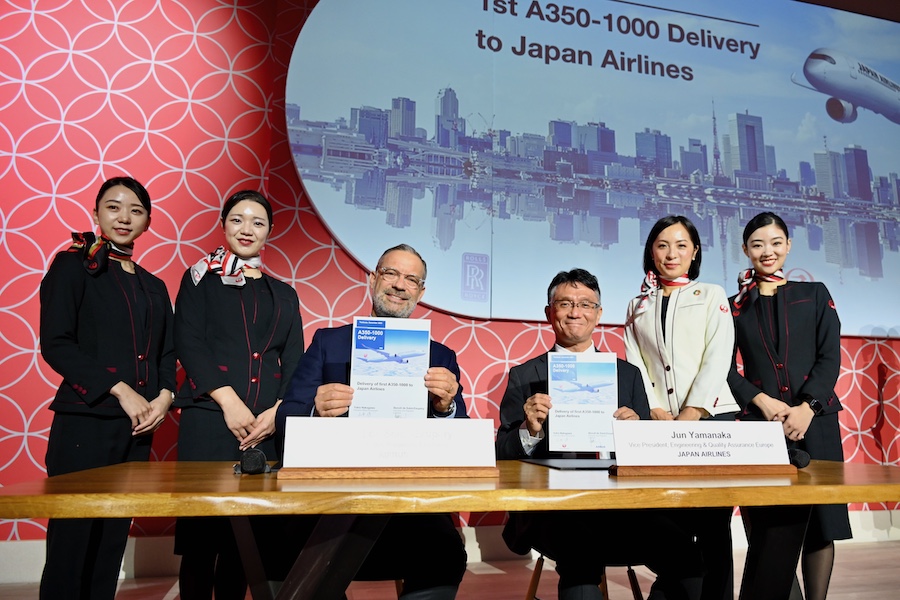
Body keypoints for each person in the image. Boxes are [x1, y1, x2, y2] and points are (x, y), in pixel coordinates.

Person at [497, 268, 704, 600]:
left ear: (599, 314)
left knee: (688, 558)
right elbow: (502, 452)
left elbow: (650, 454)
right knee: (580, 558)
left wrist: (636, 432)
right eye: (565, 303)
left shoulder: (627, 375)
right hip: (558, 511)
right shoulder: (525, 375)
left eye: (585, 304)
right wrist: (529, 430)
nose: (575, 311)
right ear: (550, 313)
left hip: (622, 507)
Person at [275, 243, 467, 600]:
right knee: (288, 552)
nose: (399, 284)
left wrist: (446, 407)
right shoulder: (327, 343)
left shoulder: (441, 356)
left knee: (446, 553)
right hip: (331, 498)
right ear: (372, 280)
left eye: (411, 279)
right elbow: (286, 419)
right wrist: (316, 411)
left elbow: (461, 438)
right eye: (390, 273)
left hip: (409, 505)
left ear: (421, 293)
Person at [39, 176, 176, 599]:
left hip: (137, 429)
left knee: (112, 537)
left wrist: (165, 398)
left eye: (136, 210)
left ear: (148, 221)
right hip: (85, 420)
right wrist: (120, 389)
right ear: (97, 213)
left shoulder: (154, 285)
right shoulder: (72, 266)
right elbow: (56, 344)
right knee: (72, 539)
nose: (124, 217)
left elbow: (167, 354)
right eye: (114, 207)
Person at [173, 190, 304, 600]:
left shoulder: (284, 293)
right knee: (199, 539)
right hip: (209, 419)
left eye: (258, 222)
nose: (247, 229)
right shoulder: (199, 277)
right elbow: (188, 342)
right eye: (238, 219)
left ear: (269, 232)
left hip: (264, 428)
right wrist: (229, 402)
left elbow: (295, 360)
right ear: (224, 223)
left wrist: (276, 413)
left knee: (244, 542)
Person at [728, 212, 851, 600]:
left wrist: (807, 407)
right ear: (745, 249)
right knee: (769, 531)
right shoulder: (733, 306)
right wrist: (761, 402)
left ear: (789, 246)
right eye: (758, 244)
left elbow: (830, 356)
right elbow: (724, 369)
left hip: (817, 422)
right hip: (760, 428)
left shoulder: (814, 294)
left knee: (820, 525)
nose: (768, 251)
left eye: (776, 242)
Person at [623, 215, 738, 600]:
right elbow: (634, 361)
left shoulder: (711, 294)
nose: (671, 253)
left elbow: (718, 357)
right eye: (662, 245)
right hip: (662, 424)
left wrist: (693, 412)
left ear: (695, 251)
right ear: (651, 252)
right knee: (671, 520)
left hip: (711, 418)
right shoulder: (637, 303)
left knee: (712, 524)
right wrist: (654, 409)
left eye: (681, 245)